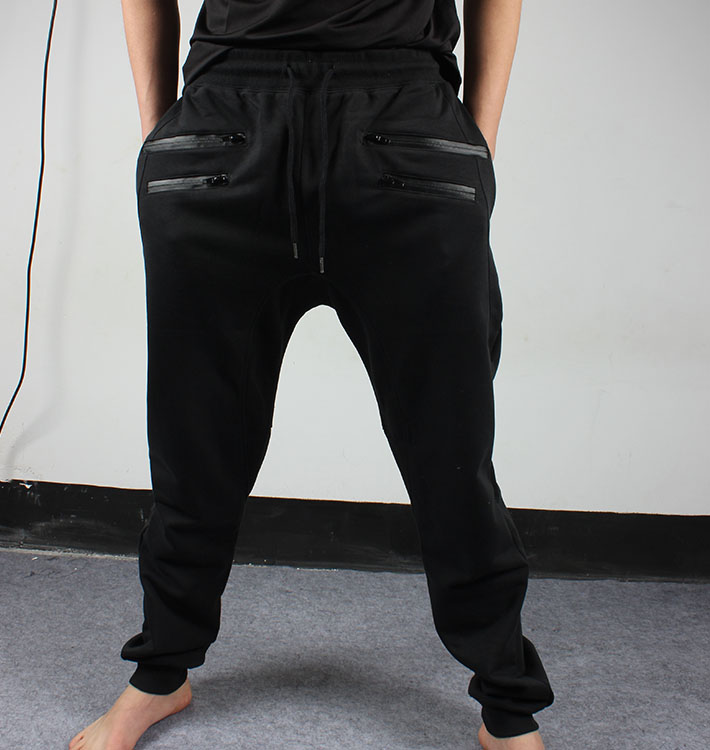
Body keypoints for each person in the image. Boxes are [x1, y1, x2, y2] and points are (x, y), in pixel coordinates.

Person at [69, 0, 555, 748]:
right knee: (194, 442)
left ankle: (507, 707)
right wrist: (160, 130)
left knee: (452, 453)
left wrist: (478, 142)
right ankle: (160, 674)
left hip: (403, 111)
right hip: (229, 113)